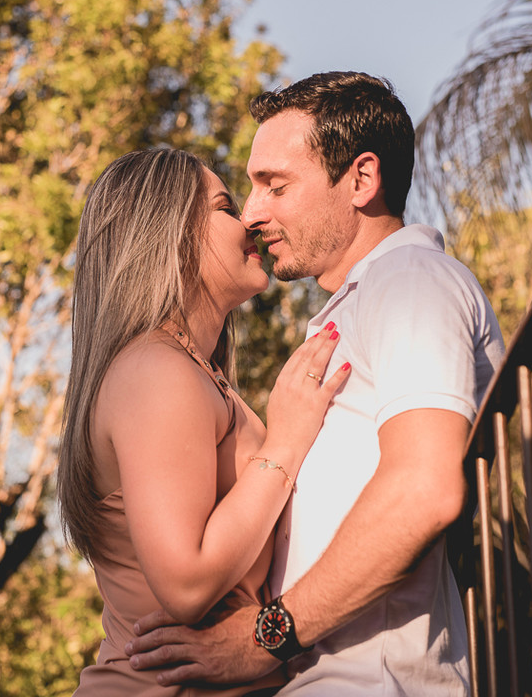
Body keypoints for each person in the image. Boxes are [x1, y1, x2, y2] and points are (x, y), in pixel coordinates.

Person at [125, 72, 506, 694]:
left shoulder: (410, 279)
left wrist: (266, 637)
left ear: (361, 179)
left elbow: (425, 489)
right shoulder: (350, 311)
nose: (252, 213)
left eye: (275, 185)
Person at [57, 148, 352, 695]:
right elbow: (187, 582)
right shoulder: (154, 371)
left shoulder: (191, 372)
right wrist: (286, 442)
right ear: (170, 235)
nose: (248, 221)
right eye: (224, 205)